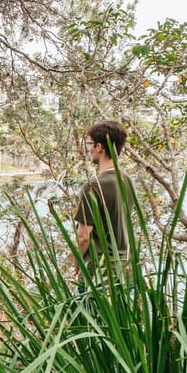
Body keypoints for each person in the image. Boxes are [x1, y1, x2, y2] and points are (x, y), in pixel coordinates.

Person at [74, 120, 134, 284]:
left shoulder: (93, 186)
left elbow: (83, 237)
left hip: (99, 273)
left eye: (90, 144)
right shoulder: (127, 180)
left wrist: (76, 263)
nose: (88, 149)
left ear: (99, 147)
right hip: (125, 270)